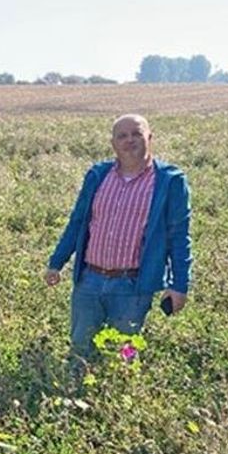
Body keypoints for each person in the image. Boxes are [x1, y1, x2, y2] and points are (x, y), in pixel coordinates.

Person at [45, 114, 192, 365]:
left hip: (132, 285)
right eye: (122, 136)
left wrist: (179, 286)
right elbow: (78, 222)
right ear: (113, 143)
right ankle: (76, 396)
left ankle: (120, 395)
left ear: (149, 138)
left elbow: (179, 237)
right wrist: (56, 262)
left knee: (124, 354)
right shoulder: (98, 175)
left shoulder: (169, 181)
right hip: (89, 280)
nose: (129, 140)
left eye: (136, 134)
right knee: (80, 348)